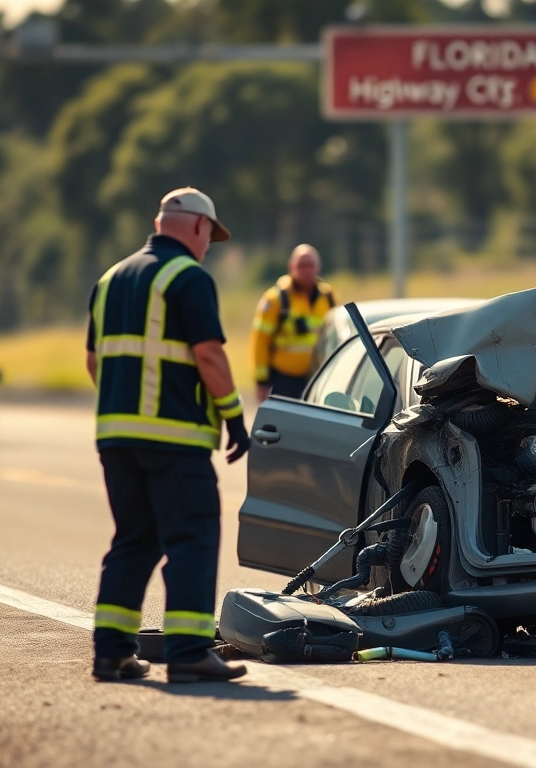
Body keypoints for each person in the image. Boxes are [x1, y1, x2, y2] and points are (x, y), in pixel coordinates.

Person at [85, 187, 250, 683]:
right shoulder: (189, 277)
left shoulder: (110, 279)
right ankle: (189, 652)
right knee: (193, 536)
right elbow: (209, 355)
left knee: (133, 541)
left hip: (116, 438)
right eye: (210, 237)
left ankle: (111, 653)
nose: (208, 246)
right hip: (175, 440)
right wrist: (234, 415)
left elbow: (95, 362)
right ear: (199, 227)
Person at [250, 244, 336, 402]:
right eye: (302, 265)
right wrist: (261, 382)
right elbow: (260, 342)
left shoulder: (328, 296)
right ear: (291, 267)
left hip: (317, 378)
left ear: (318, 267)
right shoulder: (275, 299)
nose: (307, 270)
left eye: (310, 265)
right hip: (283, 381)